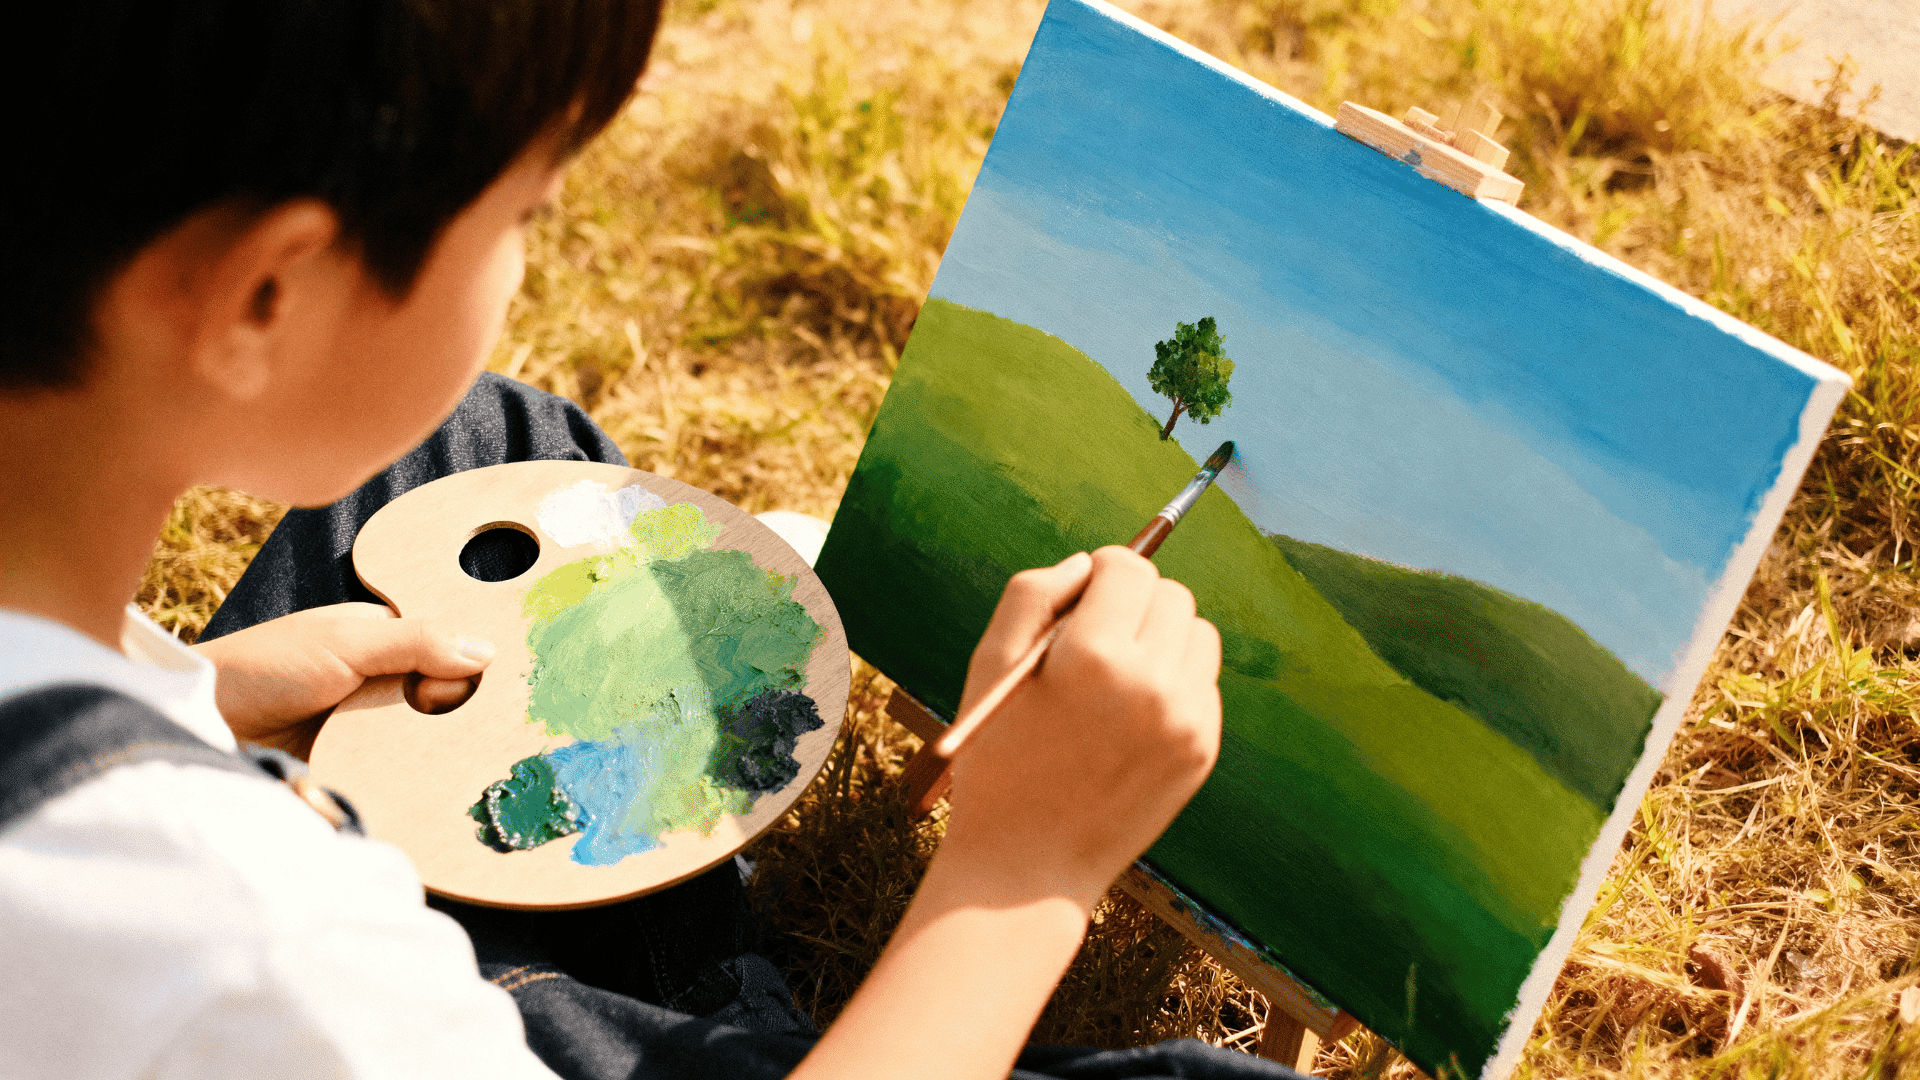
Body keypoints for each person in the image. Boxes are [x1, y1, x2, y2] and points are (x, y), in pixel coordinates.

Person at [0, 3, 1286, 1079]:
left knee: (504, 443)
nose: (523, 255)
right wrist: (1024, 869)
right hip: (443, 1009)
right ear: (269, 293)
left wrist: (204, 699)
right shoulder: (255, 959)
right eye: (525, 217)